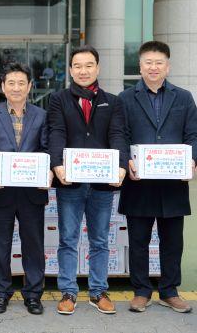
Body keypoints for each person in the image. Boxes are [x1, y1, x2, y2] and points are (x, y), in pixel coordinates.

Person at [48, 45, 128, 315]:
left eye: (89, 65)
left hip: (102, 185)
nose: (83, 71)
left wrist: (120, 166)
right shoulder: (58, 99)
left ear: (98, 68)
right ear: (71, 70)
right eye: (78, 66)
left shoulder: (113, 101)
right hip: (69, 183)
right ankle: (68, 292)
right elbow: (56, 132)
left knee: (100, 240)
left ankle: (98, 291)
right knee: (68, 239)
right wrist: (57, 164)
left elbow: (117, 134)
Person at [119, 41, 197, 313]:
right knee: (138, 241)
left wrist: (192, 160)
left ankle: (169, 291)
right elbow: (120, 135)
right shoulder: (125, 98)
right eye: (148, 63)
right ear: (140, 66)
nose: (153, 67)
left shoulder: (184, 97)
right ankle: (141, 291)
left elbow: (193, 135)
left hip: (173, 183)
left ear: (168, 66)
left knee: (173, 241)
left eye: (159, 62)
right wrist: (126, 161)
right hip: (138, 182)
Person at [0, 63, 51, 315]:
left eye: (22, 83)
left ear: (30, 86)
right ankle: (1, 293)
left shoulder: (42, 116)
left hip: (32, 191)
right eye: (11, 83)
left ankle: (33, 294)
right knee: (0, 246)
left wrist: (47, 170)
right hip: (1, 190)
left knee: (34, 245)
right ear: (2, 87)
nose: (16, 88)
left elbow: (46, 149)